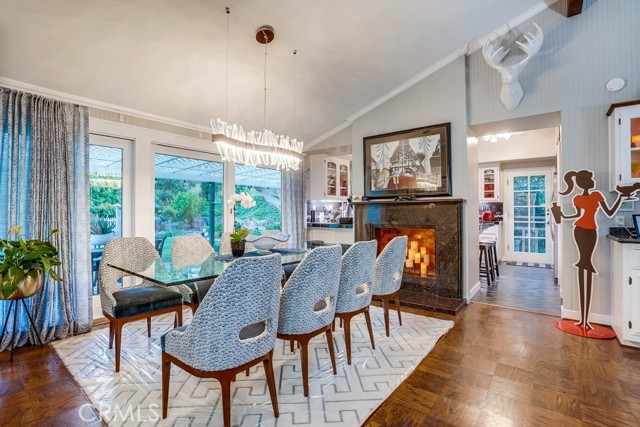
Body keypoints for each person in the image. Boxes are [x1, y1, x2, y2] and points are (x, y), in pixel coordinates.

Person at [551, 170, 627, 329]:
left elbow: (609, 212)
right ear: (584, 182)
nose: (593, 180)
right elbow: (577, 215)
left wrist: (621, 197)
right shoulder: (578, 198)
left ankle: (585, 319)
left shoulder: (597, 195)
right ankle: (583, 319)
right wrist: (560, 215)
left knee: (586, 263)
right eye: (590, 179)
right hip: (580, 229)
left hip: (590, 231)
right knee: (582, 263)